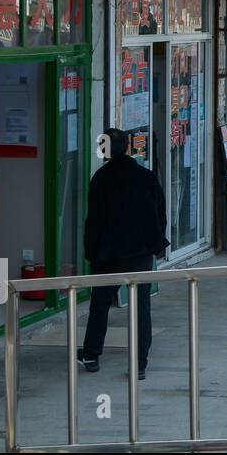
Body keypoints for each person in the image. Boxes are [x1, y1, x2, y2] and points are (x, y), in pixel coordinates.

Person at [77, 128, 170, 378]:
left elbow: (94, 220)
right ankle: (139, 363)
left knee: (100, 303)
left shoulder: (100, 179)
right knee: (141, 306)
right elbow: (159, 213)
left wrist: (91, 251)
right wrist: (158, 244)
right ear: (128, 147)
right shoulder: (146, 177)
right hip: (139, 252)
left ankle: (91, 354)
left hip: (107, 253)